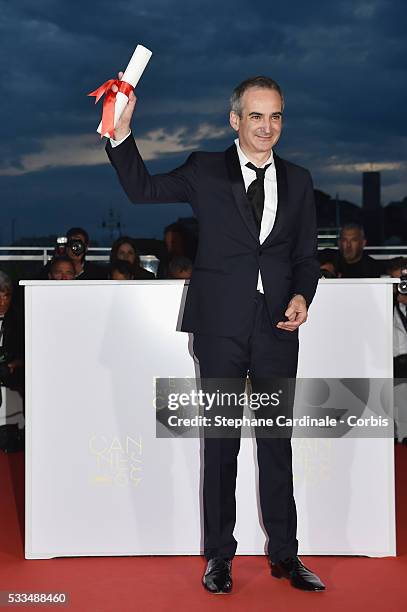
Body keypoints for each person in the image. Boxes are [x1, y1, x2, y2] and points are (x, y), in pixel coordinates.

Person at [106, 74, 324, 593]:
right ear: (235, 119)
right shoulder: (205, 170)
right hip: (220, 329)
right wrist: (121, 131)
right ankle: (219, 558)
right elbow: (142, 190)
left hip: (276, 330)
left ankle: (285, 557)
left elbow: (306, 259)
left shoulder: (299, 179)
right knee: (221, 444)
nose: (267, 126)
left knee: (278, 444)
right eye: (256, 115)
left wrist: (301, 296)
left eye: (275, 116)